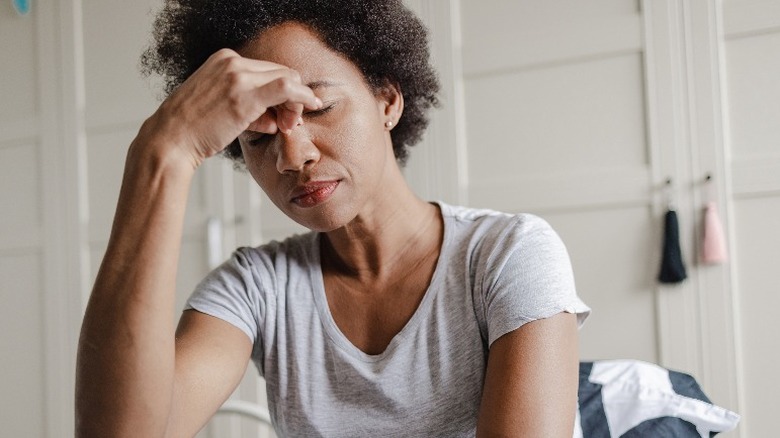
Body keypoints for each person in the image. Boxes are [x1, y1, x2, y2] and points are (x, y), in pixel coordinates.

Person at [75, 1, 590, 436]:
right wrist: (162, 150)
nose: (291, 156)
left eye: (318, 108)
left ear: (387, 101)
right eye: (258, 136)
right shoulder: (257, 287)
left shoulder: (510, 253)